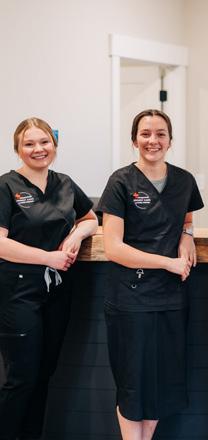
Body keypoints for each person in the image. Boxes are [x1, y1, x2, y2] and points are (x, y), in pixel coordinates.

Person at [98, 109, 203, 440]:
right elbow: (113, 248)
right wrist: (167, 263)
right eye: (145, 134)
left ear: (170, 141)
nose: (152, 140)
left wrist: (187, 236)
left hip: (171, 298)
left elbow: (187, 219)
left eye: (160, 134)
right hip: (130, 299)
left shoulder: (184, 181)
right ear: (134, 140)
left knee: (161, 384)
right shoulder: (120, 182)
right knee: (133, 384)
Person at [0, 117, 98, 440]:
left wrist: (76, 235)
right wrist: (48, 258)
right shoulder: (6, 186)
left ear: (54, 145)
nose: (38, 149)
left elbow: (91, 218)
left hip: (57, 290)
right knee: (22, 378)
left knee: (44, 375)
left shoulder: (64, 183)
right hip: (18, 291)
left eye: (44, 142)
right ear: (18, 149)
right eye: (29, 144)